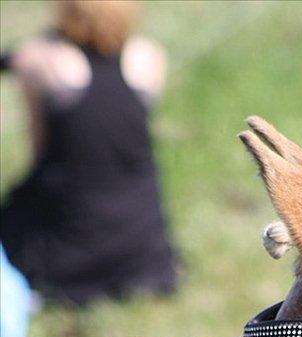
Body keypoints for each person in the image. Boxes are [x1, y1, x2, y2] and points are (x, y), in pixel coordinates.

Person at [0, 0, 177, 304]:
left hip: (67, 254)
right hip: (144, 250)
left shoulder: (42, 61)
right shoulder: (150, 57)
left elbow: (39, 155)